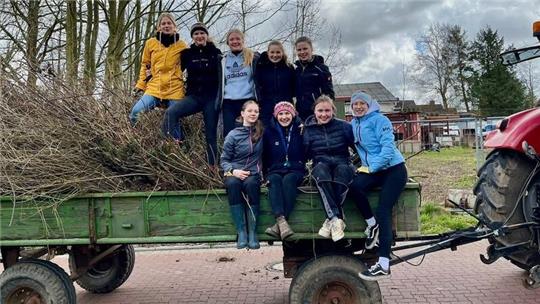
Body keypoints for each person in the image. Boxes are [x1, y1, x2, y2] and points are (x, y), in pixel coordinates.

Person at [348, 91, 408, 280]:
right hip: (375, 170)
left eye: (362, 104)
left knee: (383, 210)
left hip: (393, 170)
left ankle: (383, 263)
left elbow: (388, 149)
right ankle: (371, 224)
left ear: (369, 105)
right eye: (355, 104)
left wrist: (371, 167)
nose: (358, 107)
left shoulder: (380, 120)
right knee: (354, 187)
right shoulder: (354, 123)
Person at [161, 22, 222, 166]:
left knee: (210, 135)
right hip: (193, 97)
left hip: (211, 99)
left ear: (206, 35)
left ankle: (211, 167)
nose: (199, 36)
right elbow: (172, 72)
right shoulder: (187, 54)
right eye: (196, 34)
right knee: (171, 113)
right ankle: (171, 149)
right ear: (193, 37)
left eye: (202, 33)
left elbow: (224, 76)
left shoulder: (216, 53)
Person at [303, 95, 355, 242]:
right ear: (314, 111)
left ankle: (331, 219)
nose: (324, 114)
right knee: (319, 171)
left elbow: (357, 148)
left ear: (333, 110)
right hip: (321, 163)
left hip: (342, 161)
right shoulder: (308, 130)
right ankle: (336, 218)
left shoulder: (344, 126)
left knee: (343, 171)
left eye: (327, 110)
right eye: (320, 111)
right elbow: (304, 153)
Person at [130, 13, 188, 127]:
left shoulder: (182, 45)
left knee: (174, 118)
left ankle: (175, 143)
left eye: (169, 23)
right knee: (136, 112)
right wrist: (141, 84)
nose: (166, 26)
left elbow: (191, 64)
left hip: (174, 89)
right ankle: (137, 139)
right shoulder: (151, 43)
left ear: (174, 26)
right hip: (155, 87)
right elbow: (145, 64)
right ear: (159, 27)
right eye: (163, 23)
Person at [221, 101, 264, 249]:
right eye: (250, 111)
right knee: (232, 184)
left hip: (253, 172)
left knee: (251, 184)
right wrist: (233, 171)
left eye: (256, 111)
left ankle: (252, 232)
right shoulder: (233, 135)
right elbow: (224, 159)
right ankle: (241, 232)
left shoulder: (261, 132)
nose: (253, 114)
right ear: (243, 113)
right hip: (235, 172)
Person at [262, 102, 305, 240]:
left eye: (287, 113)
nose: (284, 117)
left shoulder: (300, 130)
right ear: (276, 116)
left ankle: (278, 223)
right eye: (281, 114)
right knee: (274, 180)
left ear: (293, 115)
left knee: (289, 179)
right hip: (275, 169)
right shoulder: (269, 131)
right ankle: (281, 220)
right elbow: (265, 155)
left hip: (295, 169)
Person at [221, 29, 260, 137]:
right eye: (232, 39)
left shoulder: (253, 57)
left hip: (247, 101)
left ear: (243, 40)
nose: (235, 42)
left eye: (238, 39)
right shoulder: (222, 60)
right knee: (229, 135)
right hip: (228, 102)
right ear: (228, 42)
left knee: (250, 135)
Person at [254, 41, 295, 126]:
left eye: (278, 52)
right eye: (272, 52)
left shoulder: (289, 68)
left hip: (285, 108)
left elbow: (294, 88)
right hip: (265, 108)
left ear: (282, 53)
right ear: (268, 53)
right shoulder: (261, 67)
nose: (275, 55)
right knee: (266, 133)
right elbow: (257, 86)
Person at [294, 36, 335, 121]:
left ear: (311, 49)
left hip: (317, 115)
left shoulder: (321, 68)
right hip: (301, 115)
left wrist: (323, 112)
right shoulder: (296, 70)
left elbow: (329, 93)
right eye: (299, 50)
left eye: (305, 49)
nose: (302, 52)